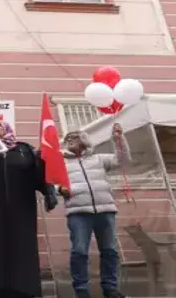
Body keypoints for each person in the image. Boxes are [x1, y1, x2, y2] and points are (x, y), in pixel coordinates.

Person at [0, 120, 58, 298]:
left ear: (6, 129)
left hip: (21, 209)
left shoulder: (24, 150)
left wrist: (48, 190)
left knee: (22, 247)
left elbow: (39, 176)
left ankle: (24, 288)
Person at [60, 124, 130, 298]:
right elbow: (51, 182)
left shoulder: (98, 159)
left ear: (84, 139)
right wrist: (59, 189)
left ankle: (110, 288)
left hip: (105, 210)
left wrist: (118, 140)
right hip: (78, 212)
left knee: (109, 250)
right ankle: (82, 290)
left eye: (74, 137)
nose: (69, 140)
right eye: (67, 138)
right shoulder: (61, 162)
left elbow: (122, 160)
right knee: (79, 251)